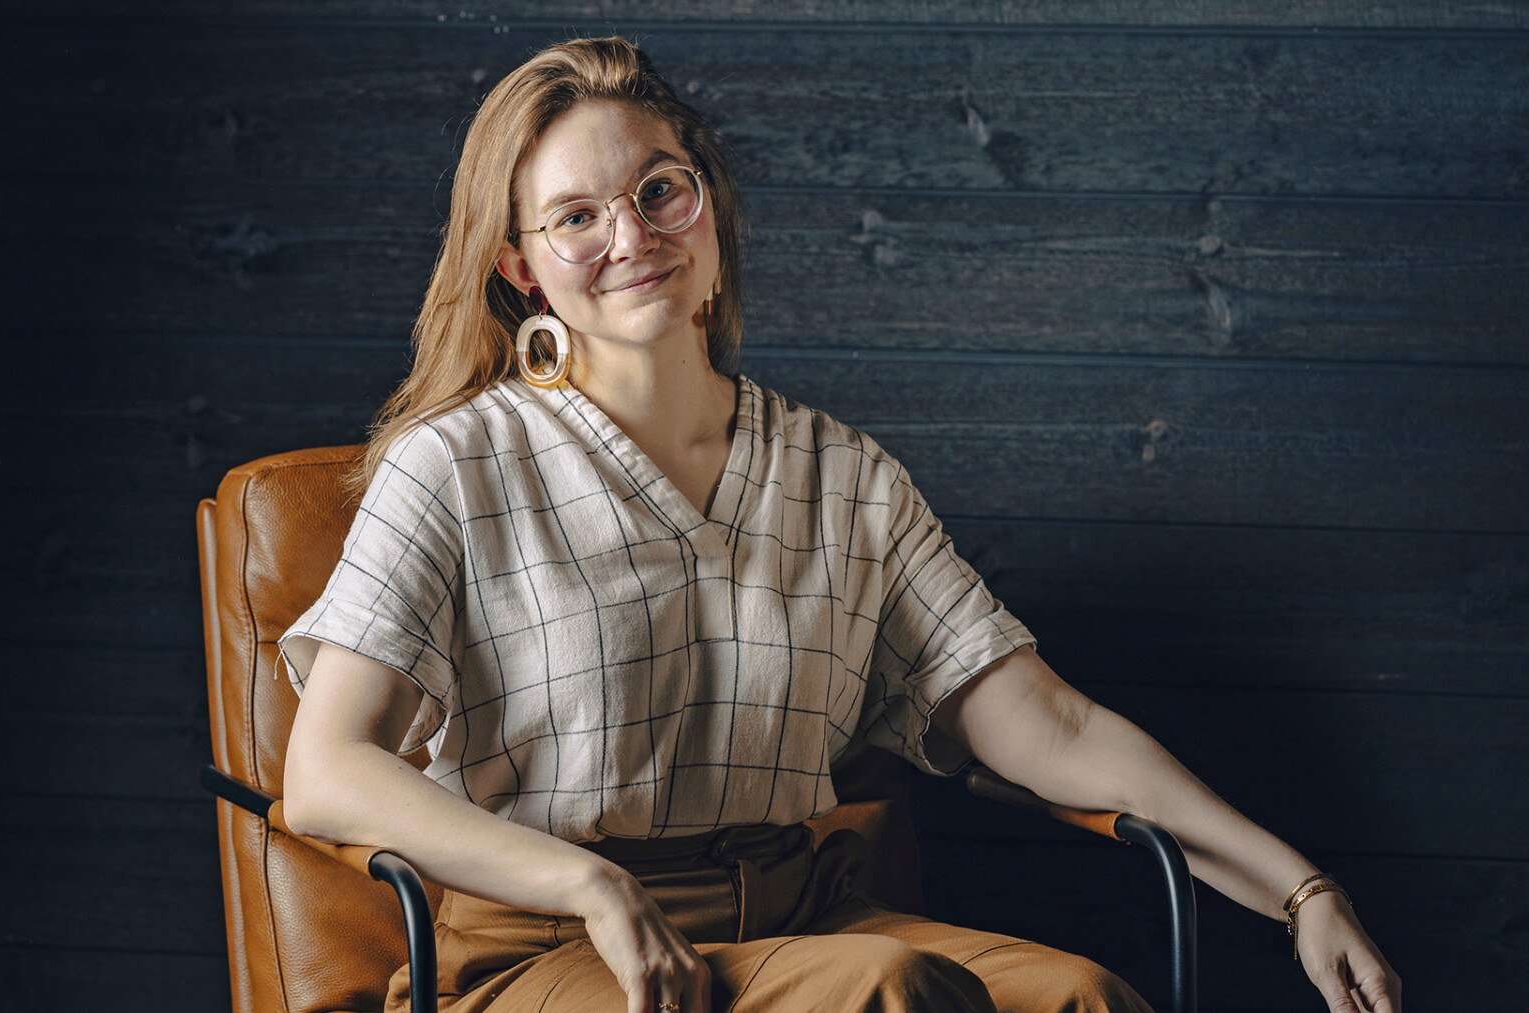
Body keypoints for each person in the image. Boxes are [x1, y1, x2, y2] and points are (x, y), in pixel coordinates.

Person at [277, 36, 1401, 1013]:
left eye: (660, 189)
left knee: (1081, 997)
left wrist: (1300, 889)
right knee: (891, 993)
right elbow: (325, 768)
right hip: (548, 950)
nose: (632, 233)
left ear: (707, 203)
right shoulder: (458, 463)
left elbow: (1050, 726)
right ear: (522, 271)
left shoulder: (842, 475)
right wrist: (587, 880)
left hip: (797, 917)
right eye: (577, 216)